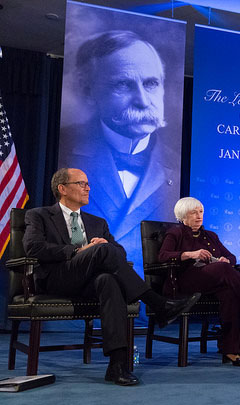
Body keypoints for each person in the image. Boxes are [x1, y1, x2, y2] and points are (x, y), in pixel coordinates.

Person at [23, 168, 201, 386]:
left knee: (108, 279)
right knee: (101, 251)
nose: (88, 188)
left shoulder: (98, 222)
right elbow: (33, 247)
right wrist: (77, 251)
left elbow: (119, 253)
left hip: (90, 283)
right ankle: (158, 303)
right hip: (57, 279)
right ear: (62, 189)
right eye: (82, 184)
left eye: (88, 184)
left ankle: (117, 365)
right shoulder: (39, 215)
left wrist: (104, 246)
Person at [59, 30, 180, 270]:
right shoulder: (67, 153)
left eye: (151, 83)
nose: (143, 101)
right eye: (123, 84)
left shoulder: (177, 165)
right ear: (89, 91)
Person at [158, 197, 240, 367]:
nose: (198, 216)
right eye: (193, 212)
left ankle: (230, 351)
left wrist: (227, 261)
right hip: (185, 280)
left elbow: (232, 256)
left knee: (230, 293)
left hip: (212, 280)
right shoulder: (175, 233)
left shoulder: (211, 236)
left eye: (201, 212)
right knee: (223, 271)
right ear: (183, 216)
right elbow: (163, 256)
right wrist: (190, 254)